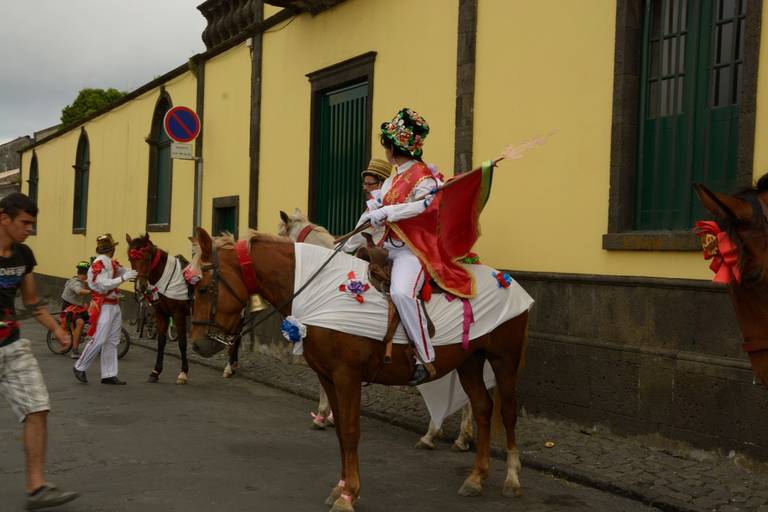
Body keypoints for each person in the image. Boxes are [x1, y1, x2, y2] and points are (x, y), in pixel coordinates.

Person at [0, 192, 80, 509]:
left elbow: (32, 302)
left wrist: (57, 329)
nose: (30, 229)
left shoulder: (23, 255)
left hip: (12, 345)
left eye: (32, 224)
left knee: (37, 407)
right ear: (4, 218)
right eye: (25, 223)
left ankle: (36, 488)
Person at [364, 108, 441, 385]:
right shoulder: (393, 177)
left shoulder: (425, 178)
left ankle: (425, 358)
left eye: (386, 145)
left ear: (394, 147)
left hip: (411, 249)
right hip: (386, 245)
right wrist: (373, 209)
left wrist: (389, 211)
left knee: (402, 293)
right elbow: (379, 205)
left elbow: (424, 206)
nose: (385, 150)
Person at [72, 234, 136, 385]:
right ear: (112, 249)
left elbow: (123, 271)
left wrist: (137, 270)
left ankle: (109, 374)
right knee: (100, 338)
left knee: (112, 341)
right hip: (103, 305)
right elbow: (103, 284)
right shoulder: (99, 263)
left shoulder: (110, 263)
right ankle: (79, 366)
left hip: (113, 304)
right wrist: (124, 278)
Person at [342, 158, 393, 253]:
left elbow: (353, 243)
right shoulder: (373, 204)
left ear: (382, 184)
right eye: (364, 184)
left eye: (369, 184)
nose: (365, 188)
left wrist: (340, 248)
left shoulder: (378, 207)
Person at [59, 261, 91, 359]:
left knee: (93, 314)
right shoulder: (75, 282)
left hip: (78, 308)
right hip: (69, 310)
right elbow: (79, 290)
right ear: (86, 273)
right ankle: (75, 350)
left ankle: (83, 334)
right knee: (80, 323)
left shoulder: (83, 282)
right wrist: (91, 291)